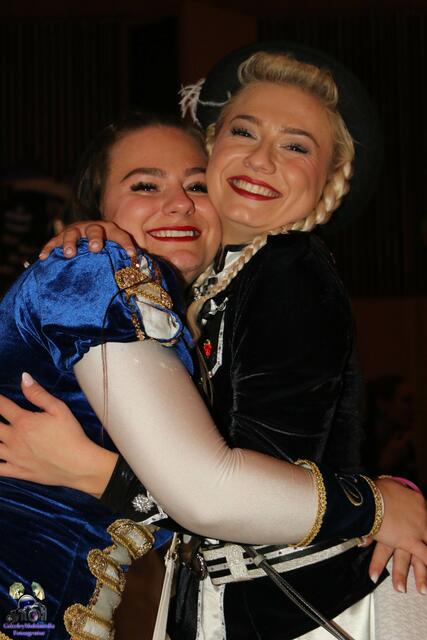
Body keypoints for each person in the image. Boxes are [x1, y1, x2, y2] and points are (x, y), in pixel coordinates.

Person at [1, 45, 427, 640]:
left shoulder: (290, 269)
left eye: (297, 146)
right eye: (244, 132)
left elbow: (233, 487)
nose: (262, 158)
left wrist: (97, 472)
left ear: (330, 183)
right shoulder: (178, 290)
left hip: (321, 608)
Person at [0, 112, 222, 640]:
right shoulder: (93, 271)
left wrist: (95, 471)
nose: (180, 202)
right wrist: (371, 509)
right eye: (146, 185)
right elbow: (208, 497)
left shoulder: (193, 324)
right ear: (97, 212)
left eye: (198, 185)